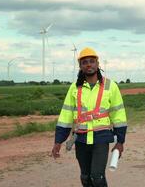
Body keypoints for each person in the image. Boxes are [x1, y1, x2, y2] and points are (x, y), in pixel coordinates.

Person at [51, 47, 127, 187]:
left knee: (97, 177)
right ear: (80, 66)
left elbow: (119, 115)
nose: (88, 64)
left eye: (92, 61)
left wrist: (120, 141)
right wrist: (58, 141)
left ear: (98, 64)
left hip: (101, 138)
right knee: (85, 177)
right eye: (84, 62)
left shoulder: (111, 86)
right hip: (81, 138)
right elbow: (66, 115)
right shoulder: (74, 88)